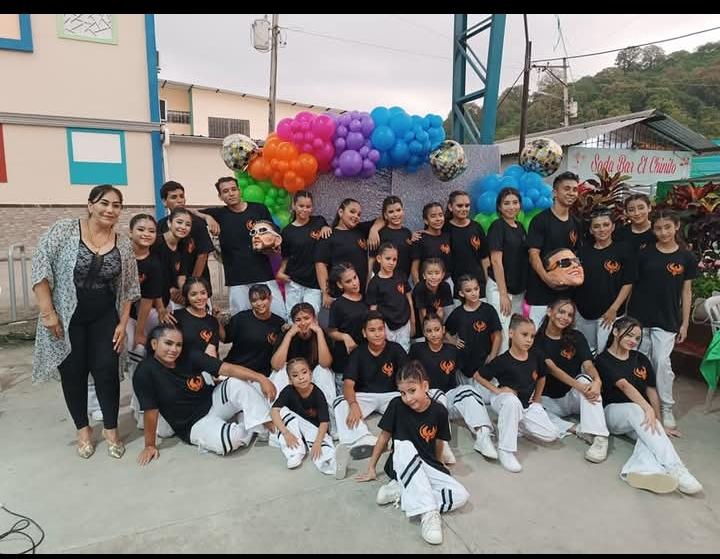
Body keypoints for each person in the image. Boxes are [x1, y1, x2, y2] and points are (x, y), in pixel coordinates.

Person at [31, 184, 140, 459]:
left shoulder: (122, 243)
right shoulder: (64, 230)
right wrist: (48, 313)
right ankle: (83, 430)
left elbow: (128, 288)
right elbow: (41, 268)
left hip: (104, 315)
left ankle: (111, 430)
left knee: (107, 370)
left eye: (116, 205)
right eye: (104, 203)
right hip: (66, 318)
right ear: (91, 204)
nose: (110, 209)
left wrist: (122, 323)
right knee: (73, 373)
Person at [355, 360, 469, 546]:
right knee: (404, 444)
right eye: (402, 393)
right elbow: (383, 438)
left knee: (461, 495)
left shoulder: (439, 411)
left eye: (412, 391)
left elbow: (439, 442)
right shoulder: (396, 405)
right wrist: (371, 468)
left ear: (425, 386)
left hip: (427, 464)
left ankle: (404, 493)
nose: (407, 398)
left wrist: (439, 465)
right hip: (401, 462)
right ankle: (429, 515)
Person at [133, 325, 276, 464]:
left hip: (213, 401)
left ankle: (265, 422)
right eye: (168, 343)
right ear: (154, 344)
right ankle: (247, 420)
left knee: (237, 383)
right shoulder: (144, 372)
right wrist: (149, 445)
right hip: (194, 424)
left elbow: (226, 368)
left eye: (178, 345)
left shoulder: (189, 354)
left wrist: (260, 378)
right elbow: (150, 411)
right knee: (231, 440)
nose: (174, 349)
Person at [595, 316, 702, 495]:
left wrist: (658, 421)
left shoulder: (641, 359)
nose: (633, 341)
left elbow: (651, 390)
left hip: (640, 415)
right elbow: (624, 386)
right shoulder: (603, 359)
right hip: (613, 415)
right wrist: (647, 409)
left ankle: (643, 471)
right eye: (629, 335)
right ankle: (676, 468)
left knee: (650, 438)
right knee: (636, 410)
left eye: (637, 338)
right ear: (615, 332)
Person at [627, 210, 697, 429]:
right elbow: (631, 286)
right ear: (653, 230)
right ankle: (641, 402)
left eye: (667, 227)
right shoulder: (644, 254)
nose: (663, 232)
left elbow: (687, 292)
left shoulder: (687, 257)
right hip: (639, 317)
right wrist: (628, 319)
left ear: (676, 227)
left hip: (667, 319)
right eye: (658, 228)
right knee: (639, 360)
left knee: (661, 361)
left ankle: (666, 406)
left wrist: (684, 323)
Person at [409, 314, 497, 462]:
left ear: (443, 330)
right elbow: (409, 376)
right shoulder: (417, 349)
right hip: (429, 400)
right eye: (429, 331)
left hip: (449, 397)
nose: (434, 334)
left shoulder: (452, 350)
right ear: (424, 333)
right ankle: (442, 444)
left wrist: (495, 386)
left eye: (437, 329)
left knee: (469, 390)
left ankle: (483, 436)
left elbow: (469, 371)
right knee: (437, 394)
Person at [479, 315, 560, 473]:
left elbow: (542, 376)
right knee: (512, 401)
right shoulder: (503, 360)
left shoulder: (536, 355)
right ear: (511, 333)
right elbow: (478, 375)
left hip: (525, 404)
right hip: (504, 400)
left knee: (552, 434)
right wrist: (497, 390)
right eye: (524, 335)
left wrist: (537, 399)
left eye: (532, 336)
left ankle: (516, 424)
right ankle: (505, 450)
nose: (529, 340)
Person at [535, 299, 610, 463]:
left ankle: (600, 437)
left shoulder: (576, 337)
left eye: (570, 315)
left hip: (572, 395)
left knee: (587, 380)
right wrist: (580, 387)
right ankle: (578, 429)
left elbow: (588, 365)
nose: (565, 317)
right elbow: (553, 369)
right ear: (549, 311)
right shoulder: (537, 340)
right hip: (549, 400)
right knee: (530, 409)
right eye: (561, 312)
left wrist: (597, 381)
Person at [202, 176, 286, 319]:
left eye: (233, 189)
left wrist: (272, 245)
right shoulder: (219, 214)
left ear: (239, 191)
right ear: (220, 196)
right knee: (240, 320)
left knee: (279, 316)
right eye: (225, 191)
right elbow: (187, 212)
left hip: (263, 274)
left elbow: (273, 233)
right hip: (237, 279)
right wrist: (207, 218)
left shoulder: (258, 209)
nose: (231, 193)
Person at [334, 311, 408, 457]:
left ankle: (404, 442)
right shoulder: (358, 353)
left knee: (415, 399)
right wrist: (353, 404)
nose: (377, 334)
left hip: (391, 396)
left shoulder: (396, 349)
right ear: (364, 333)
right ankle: (366, 440)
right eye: (372, 330)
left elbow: (408, 376)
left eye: (380, 329)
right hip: (365, 396)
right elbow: (348, 384)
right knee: (340, 402)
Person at [574, 207, 636, 355]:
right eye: (596, 226)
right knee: (585, 352)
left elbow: (628, 282)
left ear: (613, 227)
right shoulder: (583, 252)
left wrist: (614, 309)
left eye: (606, 225)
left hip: (609, 315)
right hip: (583, 313)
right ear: (591, 230)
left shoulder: (623, 250)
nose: (602, 229)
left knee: (605, 352)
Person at [526, 171, 583, 330]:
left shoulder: (577, 223)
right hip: (540, 294)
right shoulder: (540, 221)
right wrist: (547, 279)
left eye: (575, 189)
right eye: (567, 188)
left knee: (561, 336)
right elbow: (533, 255)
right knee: (536, 335)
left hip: (565, 294)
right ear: (555, 192)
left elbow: (575, 257)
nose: (571, 193)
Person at [270, 357, 340, 476]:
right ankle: (295, 453)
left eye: (304, 372)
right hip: (294, 430)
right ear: (290, 380)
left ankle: (334, 464)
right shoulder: (288, 391)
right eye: (295, 375)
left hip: (313, 429)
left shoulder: (317, 393)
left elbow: (324, 422)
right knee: (283, 412)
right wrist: (286, 433)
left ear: (310, 374)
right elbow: (273, 411)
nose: (301, 377)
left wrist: (318, 442)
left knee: (320, 447)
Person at [270, 303, 336, 414]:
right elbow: (276, 365)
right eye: (298, 320)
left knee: (323, 371)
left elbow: (326, 363)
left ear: (314, 319)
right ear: (293, 322)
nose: (303, 323)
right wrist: (289, 335)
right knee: (281, 371)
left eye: (307, 318)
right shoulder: (286, 334)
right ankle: (278, 414)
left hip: (313, 376)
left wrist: (319, 332)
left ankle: (330, 415)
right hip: (293, 377)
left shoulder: (321, 333)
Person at [315, 198, 380, 308]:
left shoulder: (360, 230)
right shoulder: (329, 235)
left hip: (361, 295)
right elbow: (320, 264)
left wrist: (374, 229)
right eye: (352, 212)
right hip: (340, 296)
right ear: (341, 212)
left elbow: (382, 219)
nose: (356, 216)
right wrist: (325, 292)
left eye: (359, 214)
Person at [157, 180, 217, 301]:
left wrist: (190, 288)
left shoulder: (197, 223)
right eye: (174, 197)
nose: (179, 200)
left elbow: (202, 256)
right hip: (169, 289)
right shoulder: (161, 225)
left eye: (181, 196)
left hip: (196, 287)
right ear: (164, 202)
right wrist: (169, 288)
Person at [276, 190, 332, 316]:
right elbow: (286, 257)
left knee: (311, 316)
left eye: (308, 206)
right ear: (294, 206)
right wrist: (281, 272)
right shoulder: (287, 231)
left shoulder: (319, 221)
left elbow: (327, 232)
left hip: (314, 283)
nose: (305, 210)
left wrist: (326, 227)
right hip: (294, 282)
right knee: (293, 317)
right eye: (301, 206)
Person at [485, 187, 528, 352]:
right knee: (502, 333)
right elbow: (496, 262)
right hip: (500, 289)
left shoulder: (520, 227)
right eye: (507, 203)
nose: (511, 207)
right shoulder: (497, 226)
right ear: (499, 207)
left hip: (517, 291)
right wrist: (503, 294)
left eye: (515, 202)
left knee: (514, 332)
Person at [444, 274, 502, 392]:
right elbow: (444, 330)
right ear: (461, 293)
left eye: (476, 289)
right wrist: (453, 341)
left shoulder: (488, 310)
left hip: (484, 365)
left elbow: (498, 335)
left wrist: (492, 355)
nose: (474, 293)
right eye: (468, 290)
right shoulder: (458, 313)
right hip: (464, 367)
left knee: (486, 396)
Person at [222, 284, 286, 377]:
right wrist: (216, 321)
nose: (259, 303)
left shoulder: (279, 323)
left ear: (270, 298)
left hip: (263, 375)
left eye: (263, 299)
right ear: (250, 301)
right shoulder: (241, 318)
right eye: (254, 300)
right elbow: (225, 338)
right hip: (236, 371)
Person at [327, 263, 369, 390]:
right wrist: (345, 337)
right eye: (348, 281)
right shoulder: (338, 305)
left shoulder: (366, 299)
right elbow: (331, 331)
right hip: (345, 358)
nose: (354, 283)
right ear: (340, 285)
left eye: (355, 278)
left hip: (365, 357)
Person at [366, 242, 415, 351]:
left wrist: (413, 320)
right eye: (388, 259)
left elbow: (409, 298)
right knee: (387, 351)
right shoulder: (374, 283)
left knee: (404, 350)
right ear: (379, 259)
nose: (391, 262)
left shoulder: (400, 275)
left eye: (394, 259)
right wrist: (377, 328)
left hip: (404, 322)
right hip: (386, 325)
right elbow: (373, 309)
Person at [444, 191, 490, 300]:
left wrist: (488, 282)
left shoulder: (476, 227)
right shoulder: (444, 229)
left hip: (478, 287)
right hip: (454, 287)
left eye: (467, 205)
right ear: (450, 207)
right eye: (459, 206)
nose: (464, 209)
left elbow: (484, 258)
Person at [152, 207, 192, 313]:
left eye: (188, 224)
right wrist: (169, 289)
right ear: (169, 223)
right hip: (150, 299)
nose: (183, 227)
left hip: (168, 300)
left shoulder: (183, 246)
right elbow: (152, 276)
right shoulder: (156, 243)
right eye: (179, 222)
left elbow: (182, 275)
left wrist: (183, 292)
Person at [369, 196, 415, 281]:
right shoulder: (379, 233)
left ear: (403, 211)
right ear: (385, 215)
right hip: (383, 282)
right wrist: (368, 283)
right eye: (391, 212)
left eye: (398, 210)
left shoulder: (407, 232)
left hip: (402, 282)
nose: (395, 214)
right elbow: (371, 260)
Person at [410, 202, 453, 287]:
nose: (438, 219)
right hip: (426, 284)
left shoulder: (447, 236)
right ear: (426, 220)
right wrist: (418, 288)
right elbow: (414, 268)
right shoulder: (419, 238)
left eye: (440, 215)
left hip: (446, 283)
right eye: (433, 216)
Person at [412, 258, 453, 324]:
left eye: (437, 273)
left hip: (436, 317)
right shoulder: (419, 288)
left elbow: (441, 311)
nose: (433, 277)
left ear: (443, 275)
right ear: (424, 275)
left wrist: (440, 326)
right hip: (421, 319)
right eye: (429, 273)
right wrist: (426, 329)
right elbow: (422, 314)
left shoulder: (445, 286)